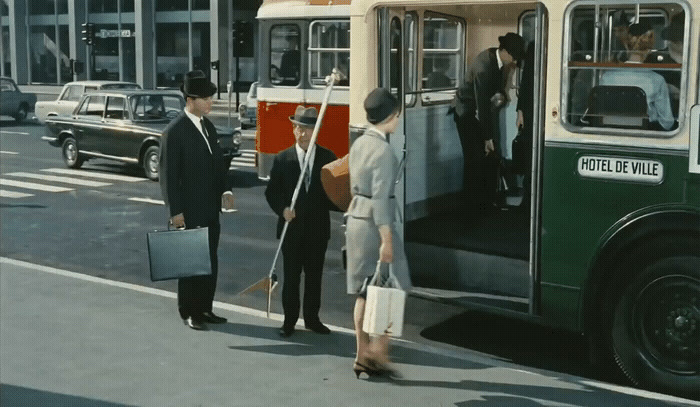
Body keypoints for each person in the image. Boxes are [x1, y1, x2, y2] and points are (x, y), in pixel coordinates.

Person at [159, 70, 235, 331]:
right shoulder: (175, 131)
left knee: (209, 260)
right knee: (190, 262)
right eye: (207, 98)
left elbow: (218, 164)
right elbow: (168, 176)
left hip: (210, 209)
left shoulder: (208, 126)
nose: (211, 102)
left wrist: (225, 190)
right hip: (188, 211)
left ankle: (205, 307)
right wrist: (175, 211)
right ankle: (189, 311)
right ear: (191, 100)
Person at [346, 88, 412, 378]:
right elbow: (381, 200)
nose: (398, 120)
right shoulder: (384, 151)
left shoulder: (359, 143)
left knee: (363, 293)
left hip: (357, 220)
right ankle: (378, 354)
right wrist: (387, 240)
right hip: (376, 226)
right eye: (397, 114)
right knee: (394, 287)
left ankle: (362, 355)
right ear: (389, 116)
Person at [265, 105, 337, 338]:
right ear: (293, 130)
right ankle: (289, 321)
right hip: (291, 231)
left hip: (317, 230)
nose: (304, 134)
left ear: (316, 131)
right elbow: (271, 192)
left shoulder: (328, 158)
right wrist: (282, 209)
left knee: (314, 277)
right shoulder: (283, 159)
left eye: (309, 129)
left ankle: (312, 319)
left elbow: (335, 194)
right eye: (300, 128)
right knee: (292, 278)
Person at [453, 33, 525, 212]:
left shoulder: (499, 61)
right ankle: (470, 208)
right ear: (506, 51)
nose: (515, 61)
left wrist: (500, 93)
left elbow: (494, 92)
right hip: (466, 113)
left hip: (481, 112)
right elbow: (482, 106)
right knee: (474, 160)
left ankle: (487, 202)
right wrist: (488, 138)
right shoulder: (484, 66)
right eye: (514, 57)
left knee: (489, 157)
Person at [600, 22, 675, 131]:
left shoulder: (607, 77)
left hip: (611, 130)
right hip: (645, 132)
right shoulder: (656, 80)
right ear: (649, 49)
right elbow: (667, 122)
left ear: (626, 45)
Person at [515, 41, 535, 210]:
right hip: (531, 110)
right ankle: (528, 199)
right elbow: (526, 80)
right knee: (530, 158)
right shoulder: (534, 46)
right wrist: (520, 111)